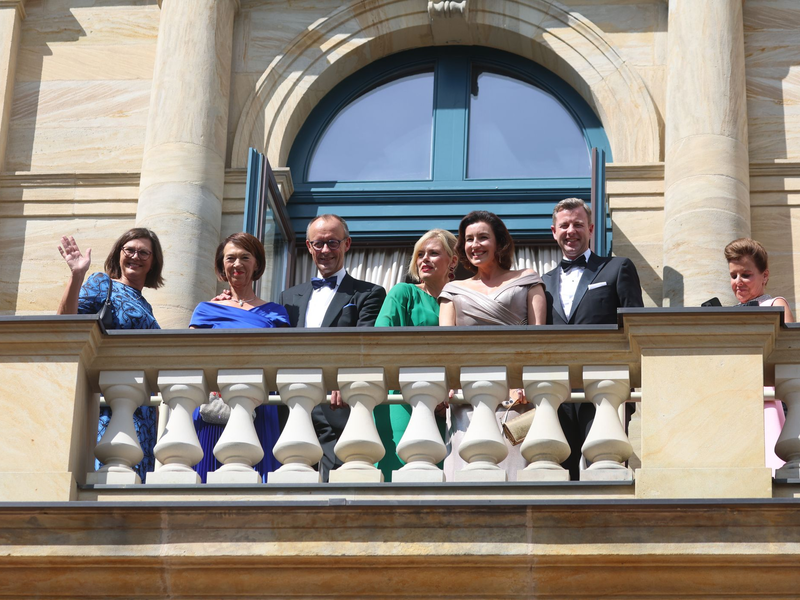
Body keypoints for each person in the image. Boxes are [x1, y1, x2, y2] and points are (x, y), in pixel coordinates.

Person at [438, 211, 546, 480]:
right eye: (469, 239)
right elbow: (445, 348)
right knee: (466, 476)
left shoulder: (527, 279)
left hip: (517, 397)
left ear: (499, 242)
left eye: (483, 237)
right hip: (468, 398)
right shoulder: (453, 289)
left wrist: (526, 381)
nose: (475, 245)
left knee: (515, 479)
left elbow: (539, 340)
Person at [542, 197, 643, 480]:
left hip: (604, 387)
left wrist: (632, 389)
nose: (571, 231)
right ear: (554, 231)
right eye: (564, 225)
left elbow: (634, 329)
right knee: (557, 476)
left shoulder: (617, 267)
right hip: (556, 393)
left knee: (604, 472)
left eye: (578, 224)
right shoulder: (542, 282)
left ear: (591, 229)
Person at [279, 214, 386, 480]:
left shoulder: (369, 293)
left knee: (340, 485)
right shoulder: (289, 296)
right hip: (293, 403)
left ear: (347, 244)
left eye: (332, 243)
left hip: (339, 405)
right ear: (309, 247)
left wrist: (344, 379)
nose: (325, 250)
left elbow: (365, 344)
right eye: (318, 244)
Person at [57, 227, 165, 482]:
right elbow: (65, 322)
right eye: (129, 250)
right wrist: (77, 275)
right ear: (119, 254)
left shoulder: (145, 304)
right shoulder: (102, 284)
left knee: (135, 480)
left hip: (142, 408)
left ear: (153, 263)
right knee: (110, 478)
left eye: (144, 253)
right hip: (110, 399)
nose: (135, 256)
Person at [189, 232, 291, 483]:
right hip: (215, 405)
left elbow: (285, 359)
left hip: (259, 406)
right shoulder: (207, 309)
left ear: (257, 264)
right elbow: (190, 356)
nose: (237, 264)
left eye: (245, 257)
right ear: (222, 265)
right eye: (230, 258)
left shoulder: (276, 313)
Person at [374, 228, 458, 480]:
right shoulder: (403, 293)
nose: (424, 260)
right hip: (403, 400)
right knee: (401, 476)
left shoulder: (464, 298)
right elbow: (381, 345)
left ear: (453, 260)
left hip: (452, 406)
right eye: (420, 254)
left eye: (433, 253)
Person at [725, 237, 794, 474]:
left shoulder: (776, 304)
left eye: (746, 274)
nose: (738, 282)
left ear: (764, 276)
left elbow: (789, 358)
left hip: (768, 402)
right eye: (733, 276)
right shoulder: (727, 315)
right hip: (734, 402)